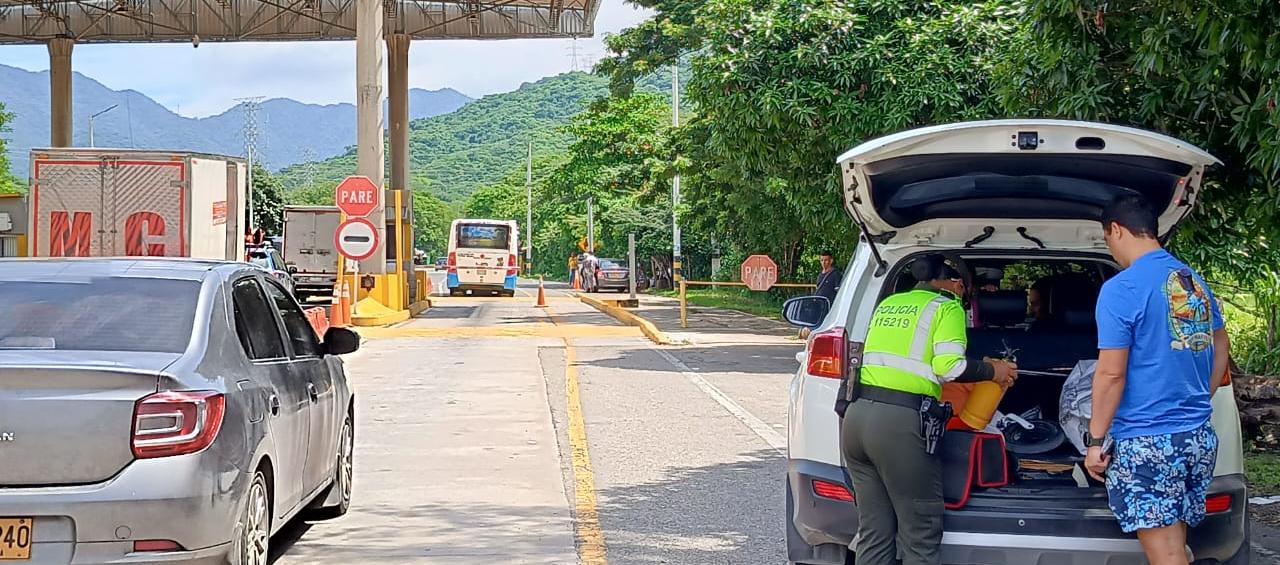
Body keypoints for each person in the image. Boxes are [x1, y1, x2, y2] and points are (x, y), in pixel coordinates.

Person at [842, 254, 1018, 565]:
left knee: (874, 530)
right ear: (956, 283)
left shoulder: (890, 304)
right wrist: (995, 372)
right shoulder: (946, 307)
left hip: (856, 420)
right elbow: (948, 367)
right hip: (898, 426)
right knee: (920, 532)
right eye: (964, 288)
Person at [1086, 195, 1230, 565]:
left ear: (1116, 230)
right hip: (1196, 436)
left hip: (1149, 442)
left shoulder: (1123, 288)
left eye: (1107, 240)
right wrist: (1200, 395)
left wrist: (1096, 441)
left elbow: (1111, 373)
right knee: (1176, 541)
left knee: (1166, 554)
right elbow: (1219, 342)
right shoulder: (1191, 279)